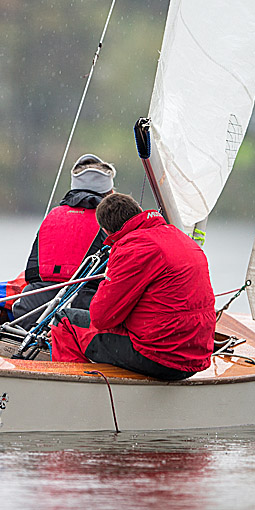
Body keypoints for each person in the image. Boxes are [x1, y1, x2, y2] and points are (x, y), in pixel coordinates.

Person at [49, 193, 216, 381]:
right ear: (139, 212)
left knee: (65, 321)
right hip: (195, 357)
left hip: (161, 358)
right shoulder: (180, 237)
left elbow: (101, 318)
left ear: (106, 231)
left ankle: (78, 391)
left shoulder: (134, 248)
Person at [12, 154, 116, 326]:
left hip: (29, 311)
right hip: (79, 314)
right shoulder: (110, 223)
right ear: (110, 193)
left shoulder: (54, 215)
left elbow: (33, 273)